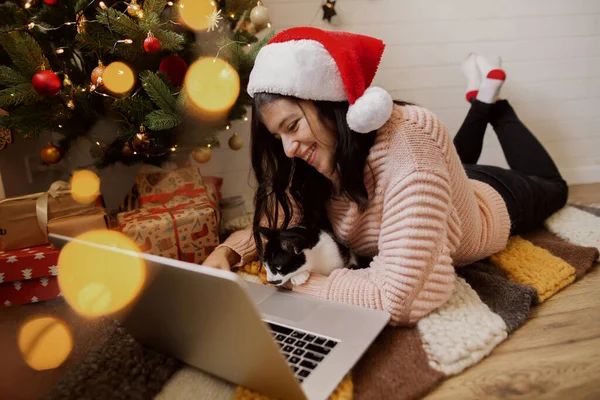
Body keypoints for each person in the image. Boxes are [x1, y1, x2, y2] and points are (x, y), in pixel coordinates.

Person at [203, 27, 568, 326]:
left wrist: (298, 281)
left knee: (554, 185)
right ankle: (481, 97)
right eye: (278, 136)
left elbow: (398, 300)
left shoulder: (410, 149)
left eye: (293, 126)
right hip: (442, 183)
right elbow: (282, 216)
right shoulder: (318, 155)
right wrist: (229, 251)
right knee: (454, 158)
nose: (287, 149)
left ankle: (493, 104)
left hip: (495, 199)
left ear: (331, 105)